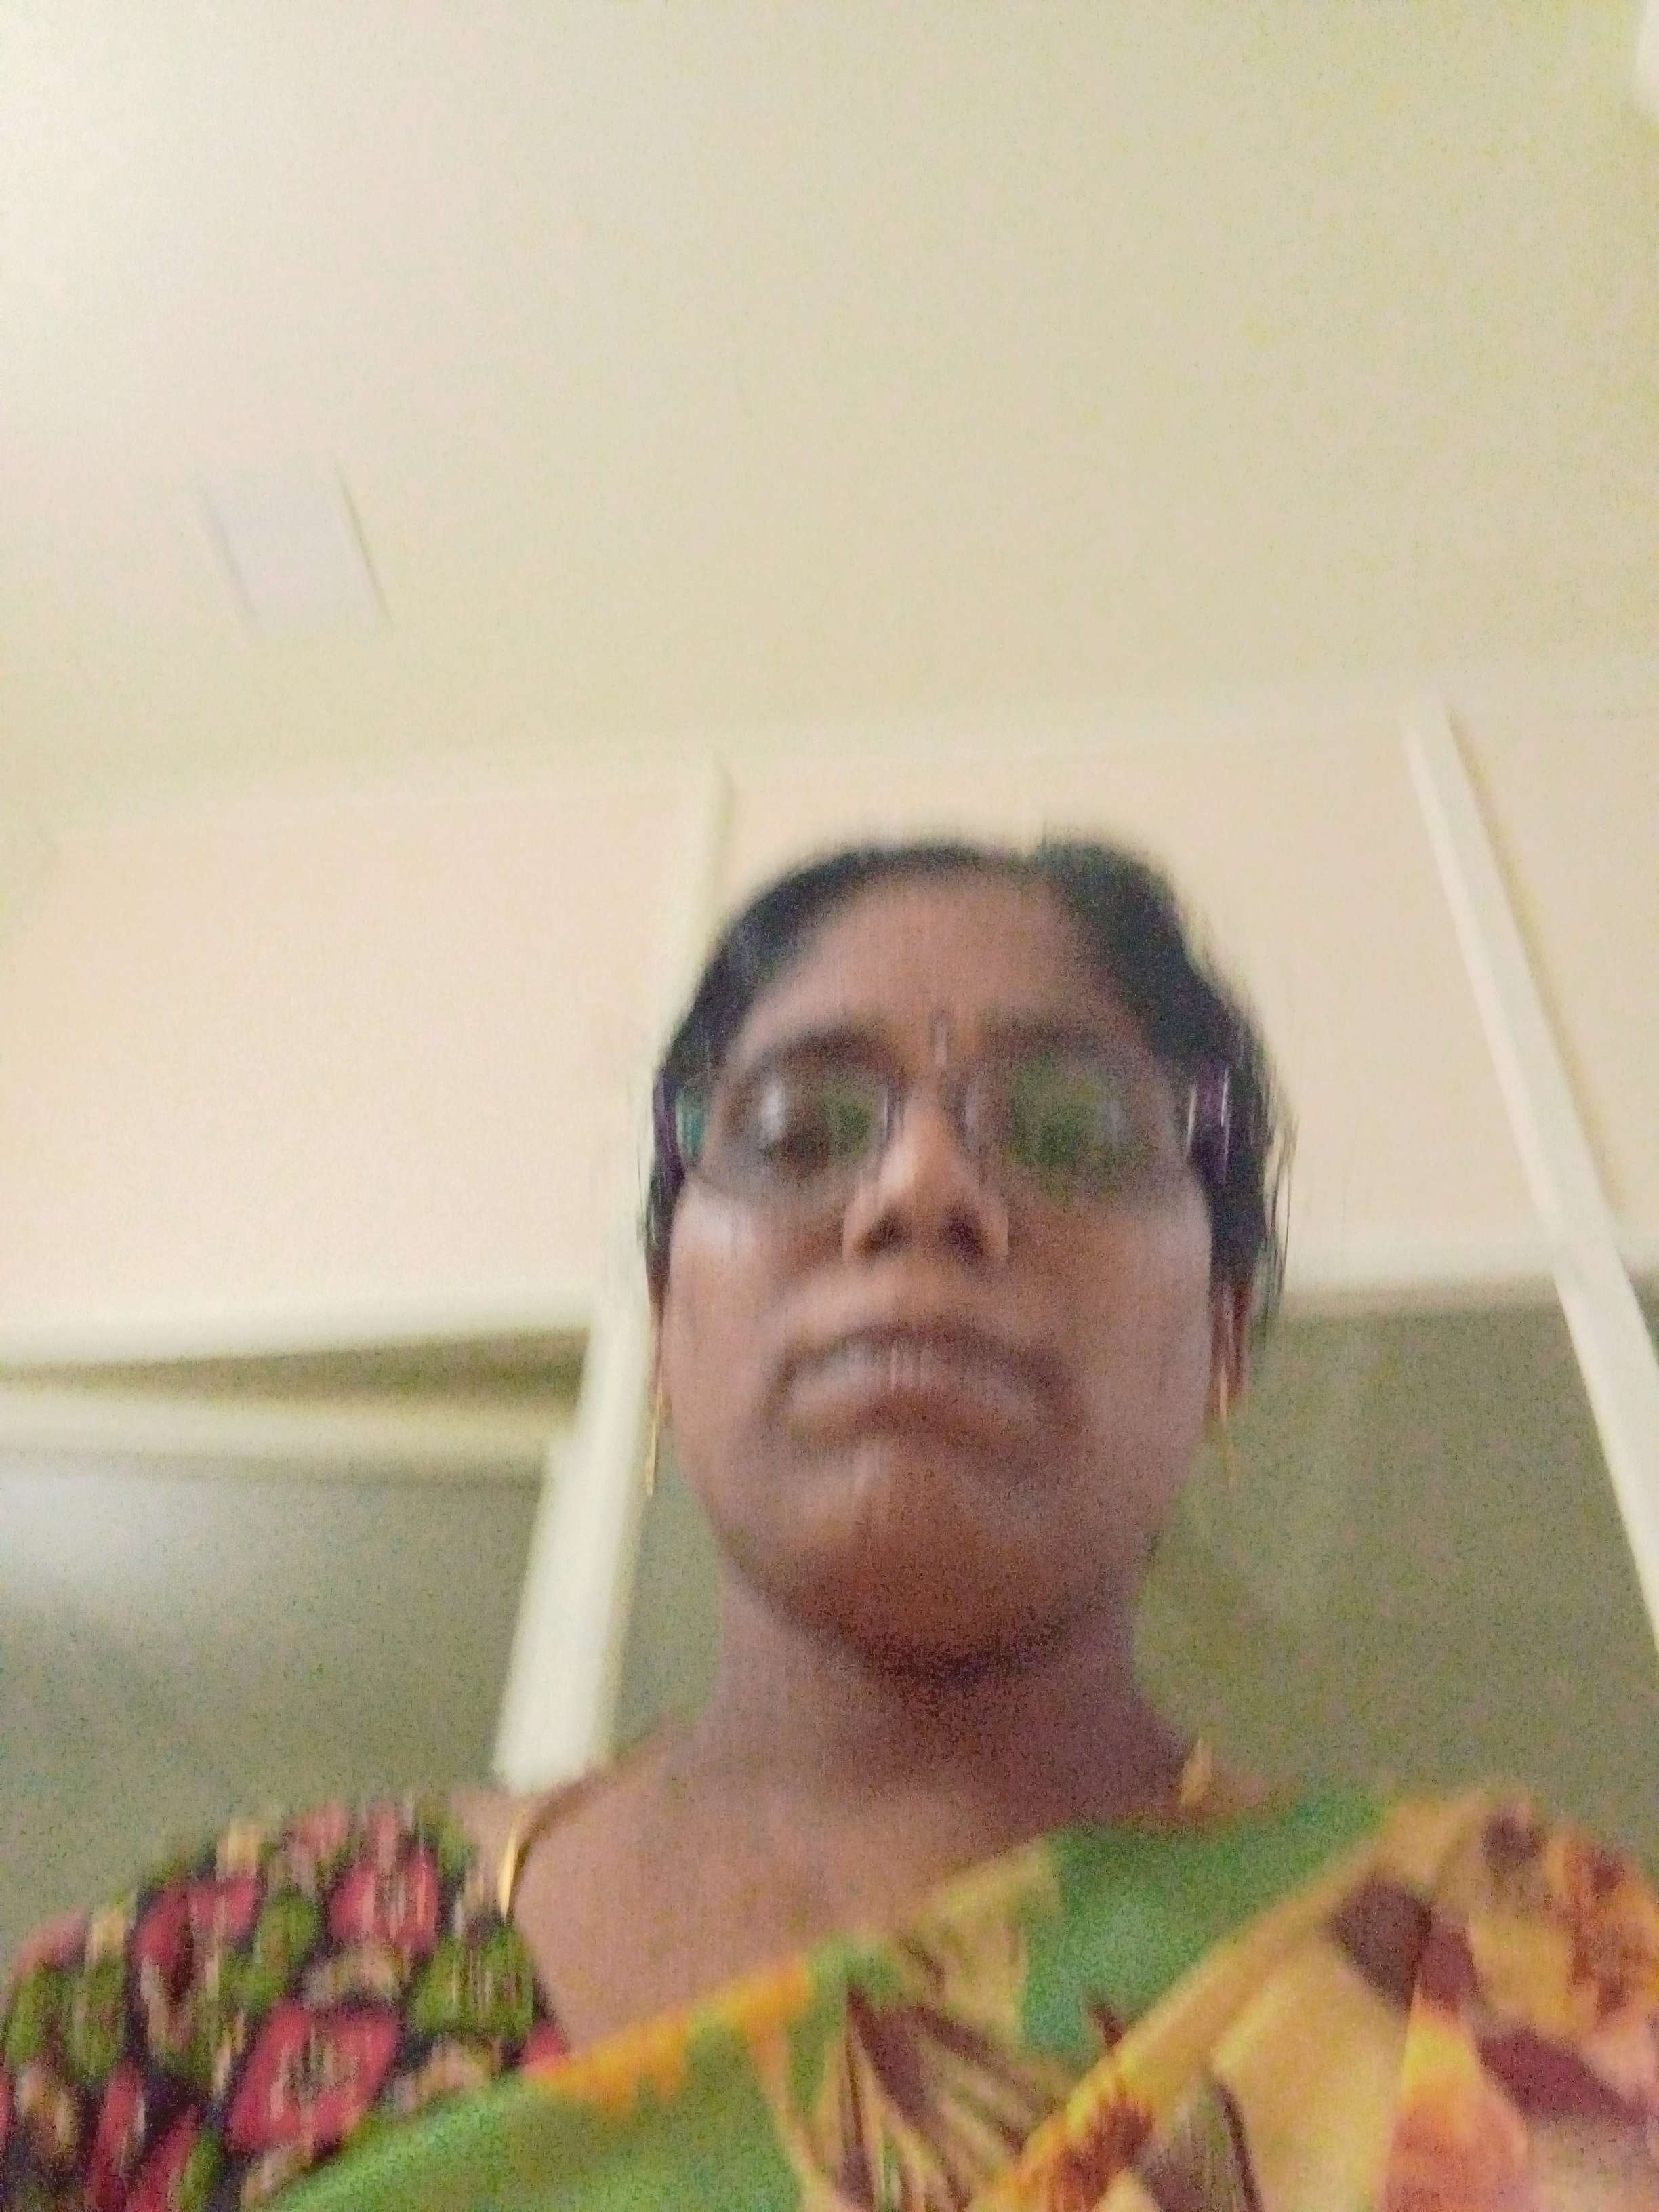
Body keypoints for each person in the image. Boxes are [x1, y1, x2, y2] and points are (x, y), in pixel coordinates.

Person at [4, 837, 1656, 2211]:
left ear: (1222, 1345)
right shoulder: (218, 1984)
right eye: (801, 1131)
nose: (922, 1189)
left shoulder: (1501, 1967)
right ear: (671, 1327)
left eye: (1070, 1132)